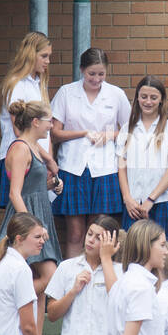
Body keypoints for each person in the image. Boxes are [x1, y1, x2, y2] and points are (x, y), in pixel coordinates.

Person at [0, 99, 64, 335]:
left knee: (43, 286)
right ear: (36, 122)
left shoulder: (35, 146)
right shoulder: (20, 148)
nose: (51, 124)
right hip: (28, 217)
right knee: (49, 275)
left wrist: (51, 184)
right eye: (48, 120)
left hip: (40, 212)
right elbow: (15, 193)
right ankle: (6, 295)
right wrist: (33, 226)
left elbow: (33, 185)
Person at [52, 48, 130, 257]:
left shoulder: (116, 94)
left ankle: (96, 280)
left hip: (105, 169)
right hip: (72, 167)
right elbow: (55, 133)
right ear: (81, 70)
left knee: (98, 233)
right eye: (91, 74)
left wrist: (110, 135)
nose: (96, 79)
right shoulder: (66, 92)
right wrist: (83, 133)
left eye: (101, 74)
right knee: (76, 234)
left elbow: (130, 130)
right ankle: (74, 281)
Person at [117, 75, 168, 239]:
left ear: (161, 100)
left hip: (162, 203)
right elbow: (121, 167)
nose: (148, 102)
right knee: (134, 259)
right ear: (137, 98)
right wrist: (127, 198)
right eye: (144, 97)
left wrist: (150, 199)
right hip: (134, 206)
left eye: (153, 98)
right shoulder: (127, 128)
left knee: (167, 258)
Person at [0, 32, 54, 209]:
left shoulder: (39, 83)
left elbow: (46, 128)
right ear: (30, 54)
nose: (48, 61)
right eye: (44, 56)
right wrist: (47, 158)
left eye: (49, 56)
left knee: (36, 212)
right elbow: (19, 130)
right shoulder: (17, 84)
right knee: (19, 219)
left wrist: (47, 158)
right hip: (20, 156)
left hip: (37, 156)